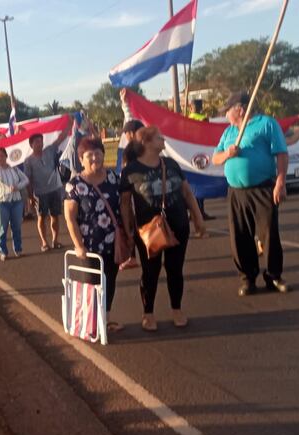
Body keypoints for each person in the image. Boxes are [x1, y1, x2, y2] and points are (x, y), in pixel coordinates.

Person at [120, 126, 207, 332]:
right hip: (149, 230)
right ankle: (148, 312)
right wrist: (128, 231)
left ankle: (176, 309)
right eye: (159, 137)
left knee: (175, 269)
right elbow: (125, 204)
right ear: (146, 143)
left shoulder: (170, 163)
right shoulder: (130, 170)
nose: (163, 139)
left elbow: (186, 192)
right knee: (150, 272)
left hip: (178, 224)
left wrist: (198, 217)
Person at [212, 91, 290, 297]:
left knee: (269, 234)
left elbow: (281, 153)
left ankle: (274, 276)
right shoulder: (229, 132)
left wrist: (280, 181)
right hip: (237, 192)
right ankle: (247, 278)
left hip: (263, 188)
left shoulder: (266, 124)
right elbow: (215, 159)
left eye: (227, 111)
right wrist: (227, 154)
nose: (226, 115)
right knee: (239, 236)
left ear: (240, 109)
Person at [64, 137, 124, 333]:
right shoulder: (74, 184)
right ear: (81, 159)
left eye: (98, 153)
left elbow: (122, 207)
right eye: (89, 155)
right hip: (89, 247)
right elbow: (70, 218)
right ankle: (90, 324)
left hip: (112, 243)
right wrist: (78, 245)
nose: (95, 158)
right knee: (92, 284)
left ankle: (104, 320)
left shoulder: (114, 178)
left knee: (110, 281)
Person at [24, 125, 70, 251]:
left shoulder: (49, 150)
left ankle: (55, 240)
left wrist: (69, 125)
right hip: (40, 193)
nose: (40, 144)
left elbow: (61, 138)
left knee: (55, 216)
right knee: (42, 217)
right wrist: (30, 196)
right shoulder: (28, 161)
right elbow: (28, 180)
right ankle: (44, 242)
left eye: (41, 141)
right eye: (37, 142)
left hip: (55, 190)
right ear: (31, 144)